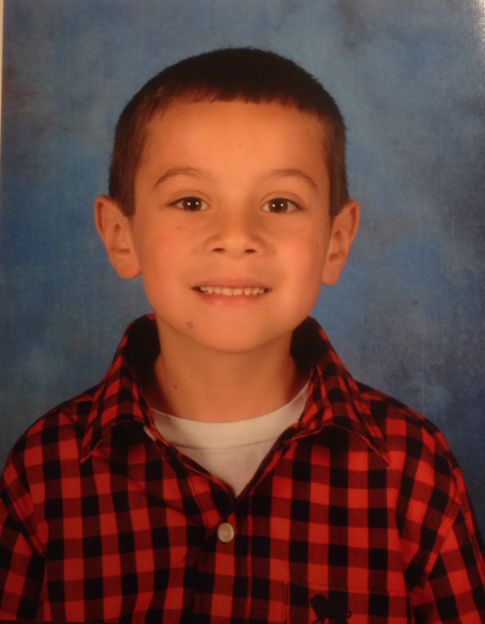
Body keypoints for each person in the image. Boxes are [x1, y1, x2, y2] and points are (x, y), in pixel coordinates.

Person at [0, 48, 483, 623]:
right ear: (120, 234)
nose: (236, 236)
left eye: (280, 203)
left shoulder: (413, 470)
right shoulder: (45, 472)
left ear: (336, 242)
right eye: (191, 201)